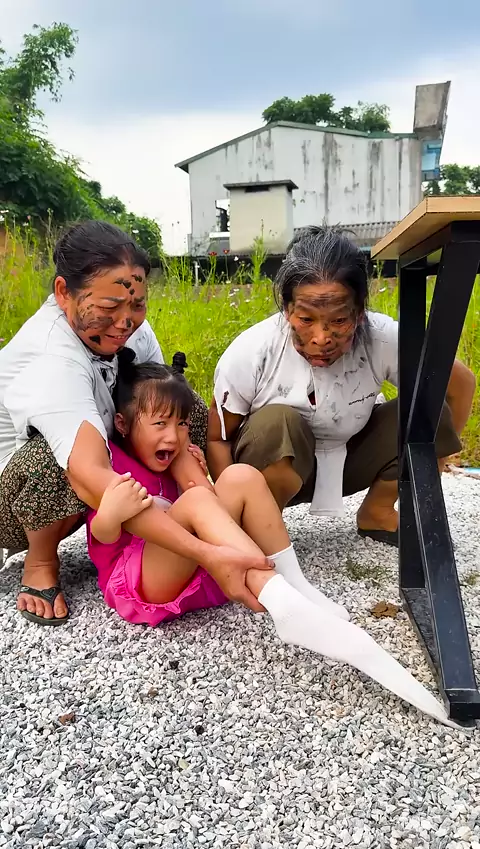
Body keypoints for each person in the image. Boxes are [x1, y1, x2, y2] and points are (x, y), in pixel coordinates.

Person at [86, 353, 458, 729]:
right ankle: (280, 598)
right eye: (160, 423)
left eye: (181, 423)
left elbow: (210, 511)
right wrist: (109, 515)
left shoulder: (177, 455)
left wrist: (192, 473)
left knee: (241, 476)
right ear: (123, 424)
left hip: (195, 563)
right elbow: (102, 540)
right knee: (197, 500)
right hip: (141, 579)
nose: (173, 435)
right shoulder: (110, 466)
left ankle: (294, 586)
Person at [0, 220, 268, 627]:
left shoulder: (129, 332)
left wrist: (201, 498)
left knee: (180, 406)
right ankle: (40, 562)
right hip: (15, 502)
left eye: (136, 305)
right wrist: (208, 553)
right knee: (49, 460)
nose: (125, 322)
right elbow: (90, 474)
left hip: (98, 456)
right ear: (63, 292)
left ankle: (172, 533)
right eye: (109, 308)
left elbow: (166, 410)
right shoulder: (53, 357)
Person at [207, 226, 475, 544]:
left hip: (349, 460)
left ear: (359, 312)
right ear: (287, 310)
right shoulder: (252, 351)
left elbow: (459, 384)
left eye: (338, 320)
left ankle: (377, 511)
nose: (322, 338)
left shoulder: (381, 338)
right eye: (306, 320)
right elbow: (218, 439)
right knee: (278, 423)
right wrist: (230, 517)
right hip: (269, 470)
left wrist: (432, 453)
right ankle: (261, 527)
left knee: (429, 409)